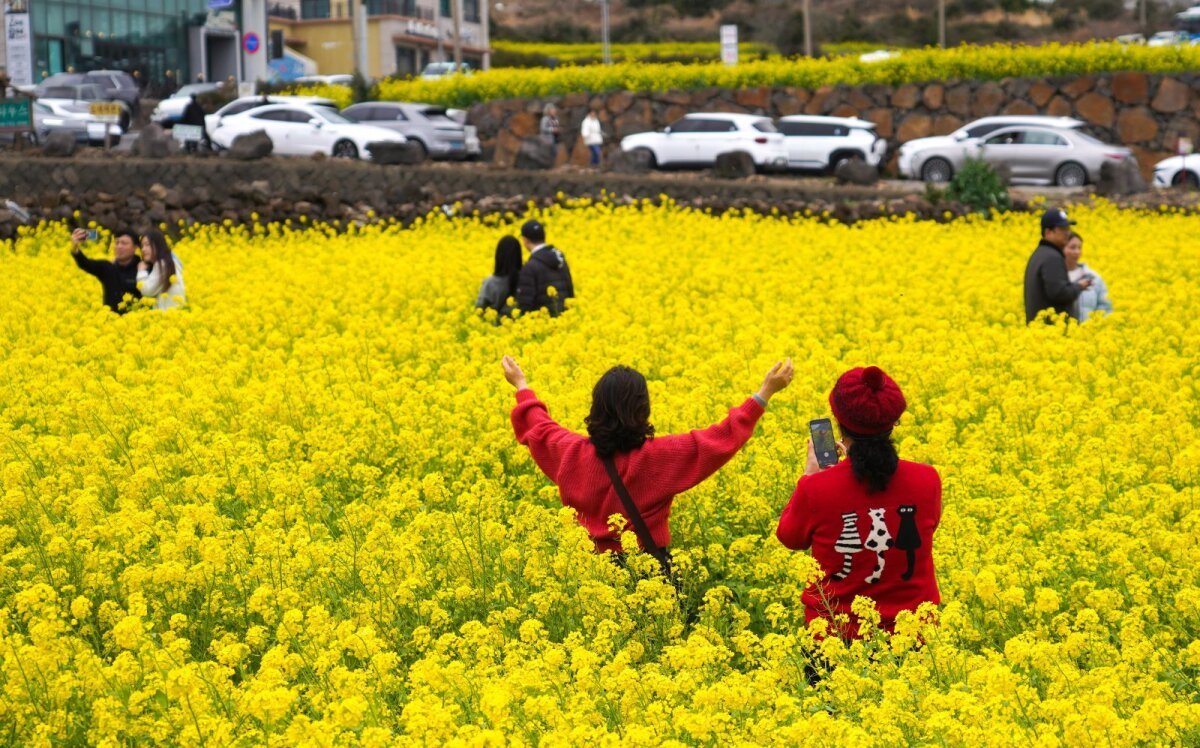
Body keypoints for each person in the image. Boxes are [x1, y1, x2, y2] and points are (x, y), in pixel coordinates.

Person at [503, 355, 794, 577]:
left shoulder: (569, 452)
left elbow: (539, 427)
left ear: (595, 407)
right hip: (647, 572)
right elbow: (719, 439)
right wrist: (764, 393)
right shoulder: (659, 457)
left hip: (588, 572)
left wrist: (521, 385)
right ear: (643, 409)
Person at [776, 366, 941, 639]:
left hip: (836, 644)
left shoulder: (816, 488)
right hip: (916, 643)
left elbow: (790, 537)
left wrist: (809, 476)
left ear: (839, 421)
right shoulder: (928, 480)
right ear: (894, 422)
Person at [1024, 207, 1092, 324]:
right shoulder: (1052, 258)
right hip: (1051, 332)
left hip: (1041, 332)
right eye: (1062, 229)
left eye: (1068, 228)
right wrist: (1079, 286)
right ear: (1048, 232)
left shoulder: (1039, 254)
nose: (1068, 233)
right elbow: (1059, 294)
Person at [70, 227, 142, 313]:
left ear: (136, 247)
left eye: (124, 243)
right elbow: (85, 263)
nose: (119, 246)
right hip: (109, 323)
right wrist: (75, 248)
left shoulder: (142, 269)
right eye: (117, 243)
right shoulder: (107, 268)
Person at [515, 219, 574, 317]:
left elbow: (525, 304)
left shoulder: (530, 267)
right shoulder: (559, 259)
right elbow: (570, 292)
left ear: (525, 240)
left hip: (541, 323)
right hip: (564, 322)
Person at [1063, 232, 1112, 322]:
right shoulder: (1055, 278)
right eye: (1072, 247)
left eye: (1079, 248)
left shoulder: (1093, 277)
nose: (1077, 252)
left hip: (1088, 332)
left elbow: (1105, 307)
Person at [137, 228, 187, 310]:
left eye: (147, 245)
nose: (143, 249)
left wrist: (141, 271)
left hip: (169, 317)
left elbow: (147, 291)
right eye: (142, 246)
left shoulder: (162, 264)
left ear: (158, 245)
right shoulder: (172, 261)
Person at [475, 236, 522, 320]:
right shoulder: (526, 280)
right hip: (521, 329)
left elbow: (479, 310)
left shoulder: (490, 282)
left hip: (492, 329)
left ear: (498, 256)